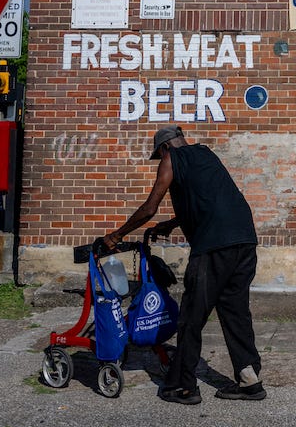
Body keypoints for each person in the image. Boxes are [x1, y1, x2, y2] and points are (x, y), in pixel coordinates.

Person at [102, 125, 265, 404]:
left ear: (165, 148)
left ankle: (183, 386)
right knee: (235, 312)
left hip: (214, 247)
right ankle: (250, 379)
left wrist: (117, 234)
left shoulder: (171, 159)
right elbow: (211, 200)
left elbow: (149, 207)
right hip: (244, 241)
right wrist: (173, 223)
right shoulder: (206, 155)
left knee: (191, 317)